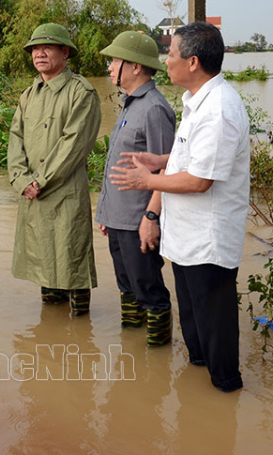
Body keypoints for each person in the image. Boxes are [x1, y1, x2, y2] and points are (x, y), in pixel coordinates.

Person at [109, 21, 249, 392]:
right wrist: (162, 158)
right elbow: (194, 157)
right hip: (187, 238)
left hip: (209, 242)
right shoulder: (195, 102)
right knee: (194, 327)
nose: (165, 61)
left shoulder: (219, 108)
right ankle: (199, 400)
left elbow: (201, 180)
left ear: (192, 62)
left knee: (215, 330)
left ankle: (225, 395)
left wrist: (147, 181)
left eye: (170, 54)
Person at [8, 23, 102, 315]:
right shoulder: (29, 94)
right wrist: (21, 180)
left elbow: (74, 143)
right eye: (35, 48)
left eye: (47, 47)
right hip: (33, 193)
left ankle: (79, 339)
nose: (39, 53)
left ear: (65, 52)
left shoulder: (81, 92)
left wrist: (40, 180)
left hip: (65, 194)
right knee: (44, 265)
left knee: (72, 262)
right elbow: (15, 139)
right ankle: (52, 341)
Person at [94, 31, 175, 345]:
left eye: (115, 61)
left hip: (139, 220)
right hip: (118, 218)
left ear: (137, 66)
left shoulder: (154, 108)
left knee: (149, 290)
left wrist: (150, 219)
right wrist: (106, 213)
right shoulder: (130, 104)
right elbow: (119, 163)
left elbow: (165, 169)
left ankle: (157, 365)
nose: (111, 68)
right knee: (127, 288)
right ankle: (133, 360)